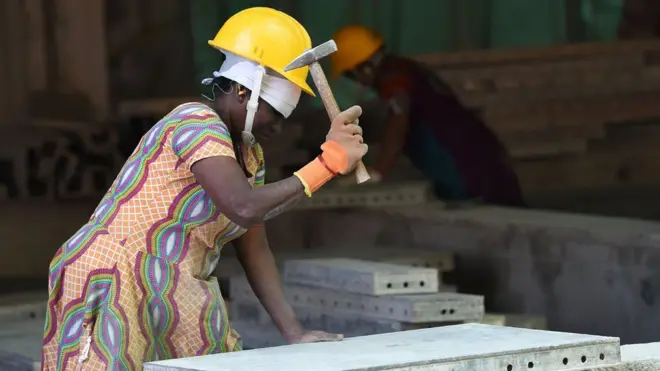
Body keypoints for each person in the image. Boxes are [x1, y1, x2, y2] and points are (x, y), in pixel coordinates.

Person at [41, 7, 368, 370]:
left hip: (174, 283)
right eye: (273, 114)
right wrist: (325, 165)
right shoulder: (194, 122)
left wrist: (294, 332)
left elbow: (254, 245)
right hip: (114, 273)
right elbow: (242, 206)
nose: (276, 128)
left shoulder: (250, 156)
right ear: (244, 92)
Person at [331, 25, 525, 207]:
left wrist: (376, 173)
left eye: (351, 76)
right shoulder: (403, 71)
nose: (357, 83)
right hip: (482, 160)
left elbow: (398, 123)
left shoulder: (394, 80)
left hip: (469, 171)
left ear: (365, 68)